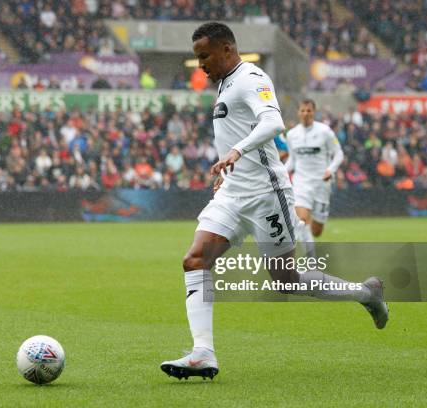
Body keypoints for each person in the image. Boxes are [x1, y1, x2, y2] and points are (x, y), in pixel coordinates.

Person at [160, 22, 388, 381]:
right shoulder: (225, 85)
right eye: (197, 57)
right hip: (233, 194)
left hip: (268, 195)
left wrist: (237, 151)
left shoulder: (251, 78)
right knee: (195, 259)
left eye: (205, 56)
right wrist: (228, 169)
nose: (200, 64)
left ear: (227, 50)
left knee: (286, 278)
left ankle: (366, 293)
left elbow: (273, 123)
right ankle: (203, 352)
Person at [284, 99, 344, 255]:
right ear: (298, 112)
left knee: (317, 231)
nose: (305, 114)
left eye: (309, 111)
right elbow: (292, 159)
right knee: (301, 222)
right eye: (302, 110)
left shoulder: (325, 132)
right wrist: (282, 173)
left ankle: (310, 232)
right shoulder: (291, 134)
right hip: (301, 183)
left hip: (321, 184)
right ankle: (312, 263)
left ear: (314, 112)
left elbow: (338, 154)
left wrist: (330, 170)